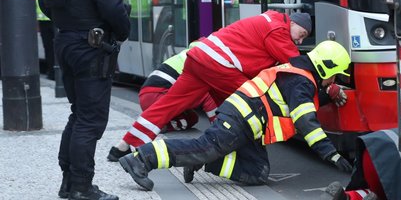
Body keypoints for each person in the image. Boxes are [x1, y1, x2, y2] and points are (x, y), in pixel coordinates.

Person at [118, 40, 354, 190]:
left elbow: (300, 103)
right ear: (325, 68)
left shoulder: (301, 77)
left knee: (257, 173)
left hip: (251, 126)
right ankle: (141, 159)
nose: (333, 81)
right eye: (334, 76)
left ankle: (204, 161)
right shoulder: (301, 82)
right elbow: (306, 122)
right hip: (240, 119)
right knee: (203, 146)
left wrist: (329, 94)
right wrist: (332, 155)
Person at [107, 10, 320, 161]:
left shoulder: (269, 20)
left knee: (167, 106)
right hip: (218, 64)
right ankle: (218, 152)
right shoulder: (279, 31)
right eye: (301, 36)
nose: (299, 42)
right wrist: (328, 83)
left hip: (199, 58)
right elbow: (296, 66)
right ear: (292, 23)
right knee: (254, 102)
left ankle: (124, 146)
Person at [37, 0, 130, 200]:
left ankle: (68, 183)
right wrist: (122, 31)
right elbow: (112, 4)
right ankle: (81, 186)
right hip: (90, 46)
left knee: (78, 115)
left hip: (64, 40)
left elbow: (45, 2)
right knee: (91, 119)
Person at [137, 41, 217, 131]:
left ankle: (156, 121)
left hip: (146, 95)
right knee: (192, 117)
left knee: (191, 115)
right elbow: (207, 97)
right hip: (159, 95)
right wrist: (218, 126)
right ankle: (165, 125)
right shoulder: (204, 59)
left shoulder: (188, 53)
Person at [35, 0, 56, 80]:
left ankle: (52, 72)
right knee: (57, 47)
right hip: (55, 19)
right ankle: (58, 72)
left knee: (48, 48)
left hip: (43, 19)